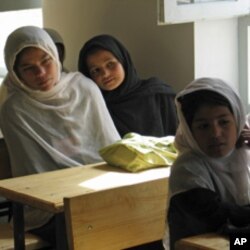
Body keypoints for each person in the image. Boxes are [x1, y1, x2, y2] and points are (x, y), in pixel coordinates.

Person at [0, 26, 120, 249]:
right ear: (15, 72)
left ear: (55, 56)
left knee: (134, 213)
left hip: (98, 189)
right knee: (79, 225)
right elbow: (35, 171)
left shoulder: (84, 88)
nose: (41, 73)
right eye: (28, 68)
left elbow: (108, 147)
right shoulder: (14, 109)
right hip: (46, 208)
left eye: (46, 61)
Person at [165, 77, 250, 250]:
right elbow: (225, 226)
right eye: (203, 126)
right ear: (189, 131)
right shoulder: (188, 168)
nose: (216, 133)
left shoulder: (243, 155)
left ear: (238, 120)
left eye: (224, 122)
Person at [78, 34, 178, 138]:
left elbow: (179, 141)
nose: (105, 74)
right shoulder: (93, 108)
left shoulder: (157, 94)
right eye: (96, 71)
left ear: (123, 61)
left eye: (110, 64)